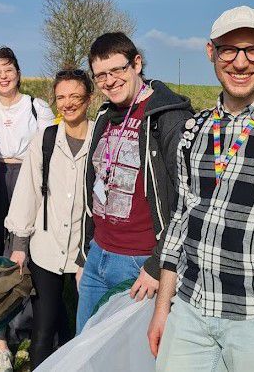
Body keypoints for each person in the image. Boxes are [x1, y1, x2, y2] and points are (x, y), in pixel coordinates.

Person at [148, 6, 254, 372]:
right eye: (229, 49)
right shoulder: (193, 130)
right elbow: (181, 219)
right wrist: (163, 307)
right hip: (190, 312)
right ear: (211, 52)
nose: (241, 62)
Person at [75, 32, 193, 333]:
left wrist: (157, 266)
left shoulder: (168, 117)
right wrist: (84, 255)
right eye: (100, 75)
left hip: (140, 263)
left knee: (127, 358)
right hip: (97, 255)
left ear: (136, 64)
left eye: (117, 70)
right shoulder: (104, 115)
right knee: (83, 354)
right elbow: (95, 185)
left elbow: (188, 199)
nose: (109, 81)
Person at [0, 46, 54, 371]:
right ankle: (1, 343)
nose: (3, 76)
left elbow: (49, 149)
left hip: (28, 179)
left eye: (8, 69)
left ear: (18, 72)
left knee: (27, 258)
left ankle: (25, 329)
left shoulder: (37, 107)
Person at [6, 68, 95, 368]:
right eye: (61, 97)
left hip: (87, 250)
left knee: (86, 329)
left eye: (75, 96)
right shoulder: (44, 139)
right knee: (44, 330)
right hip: (46, 246)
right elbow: (27, 192)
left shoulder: (102, 138)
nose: (68, 103)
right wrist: (20, 245)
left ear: (89, 99)